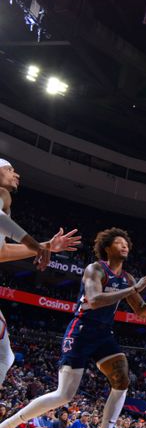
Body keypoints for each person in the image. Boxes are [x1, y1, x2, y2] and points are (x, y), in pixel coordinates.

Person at [0, 228, 146, 428]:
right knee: (64, 395)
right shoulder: (95, 269)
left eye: (127, 243)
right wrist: (133, 290)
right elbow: (93, 300)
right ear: (107, 248)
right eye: (119, 242)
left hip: (104, 334)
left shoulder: (128, 278)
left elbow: (142, 311)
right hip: (81, 330)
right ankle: (6, 426)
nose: (125, 246)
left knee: (122, 380)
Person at [0, 158, 81, 393]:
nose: (17, 175)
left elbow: (2, 252)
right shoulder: (3, 195)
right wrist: (37, 246)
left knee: (6, 356)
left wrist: (46, 245)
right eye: (10, 170)